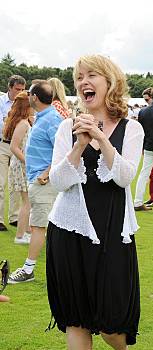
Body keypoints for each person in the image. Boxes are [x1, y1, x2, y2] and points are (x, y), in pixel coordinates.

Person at [46, 54, 144, 350]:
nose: (83, 82)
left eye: (91, 76)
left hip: (112, 231)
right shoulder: (64, 128)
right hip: (69, 231)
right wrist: (77, 144)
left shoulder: (131, 129)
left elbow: (124, 178)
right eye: (78, 77)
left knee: (110, 322)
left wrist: (101, 139)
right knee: (75, 316)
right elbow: (57, 181)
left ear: (110, 82)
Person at [8, 81, 64, 284]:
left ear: (35, 98)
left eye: (29, 93)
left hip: (44, 182)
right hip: (37, 180)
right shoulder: (42, 118)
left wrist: (46, 173)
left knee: (39, 226)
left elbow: (63, 150)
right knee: (41, 225)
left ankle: (28, 269)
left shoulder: (51, 120)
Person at [4, 91, 33, 244]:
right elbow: (14, 147)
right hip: (21, 165)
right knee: (27, 201)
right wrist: (28, 162)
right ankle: (20, 236)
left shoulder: (25, 121)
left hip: (22, 164)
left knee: (28, 201)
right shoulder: (22, 123)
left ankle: (27, 232)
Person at [0, 75, 26, 231]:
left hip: (20, 146)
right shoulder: (1, 102)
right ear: (9, 87)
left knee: (17, 184)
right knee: (0, 183)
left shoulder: (25, 102)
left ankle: (15, 217)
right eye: (17, 89)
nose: (20, 92)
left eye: (22, 89)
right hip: (3, 144)